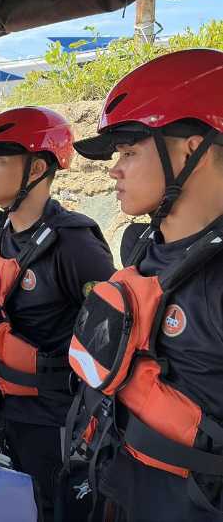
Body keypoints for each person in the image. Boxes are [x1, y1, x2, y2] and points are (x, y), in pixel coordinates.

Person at [68, 48, 223, 522]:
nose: (114, 168)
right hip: (120, 484)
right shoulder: (142, 244)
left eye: (130, 151)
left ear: (191, 149)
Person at [0, 106, 115, 521]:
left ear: (36, 168)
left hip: (52, 423)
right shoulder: (3, 230)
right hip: (0, 412)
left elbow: (112, 338)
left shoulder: (75, 245)